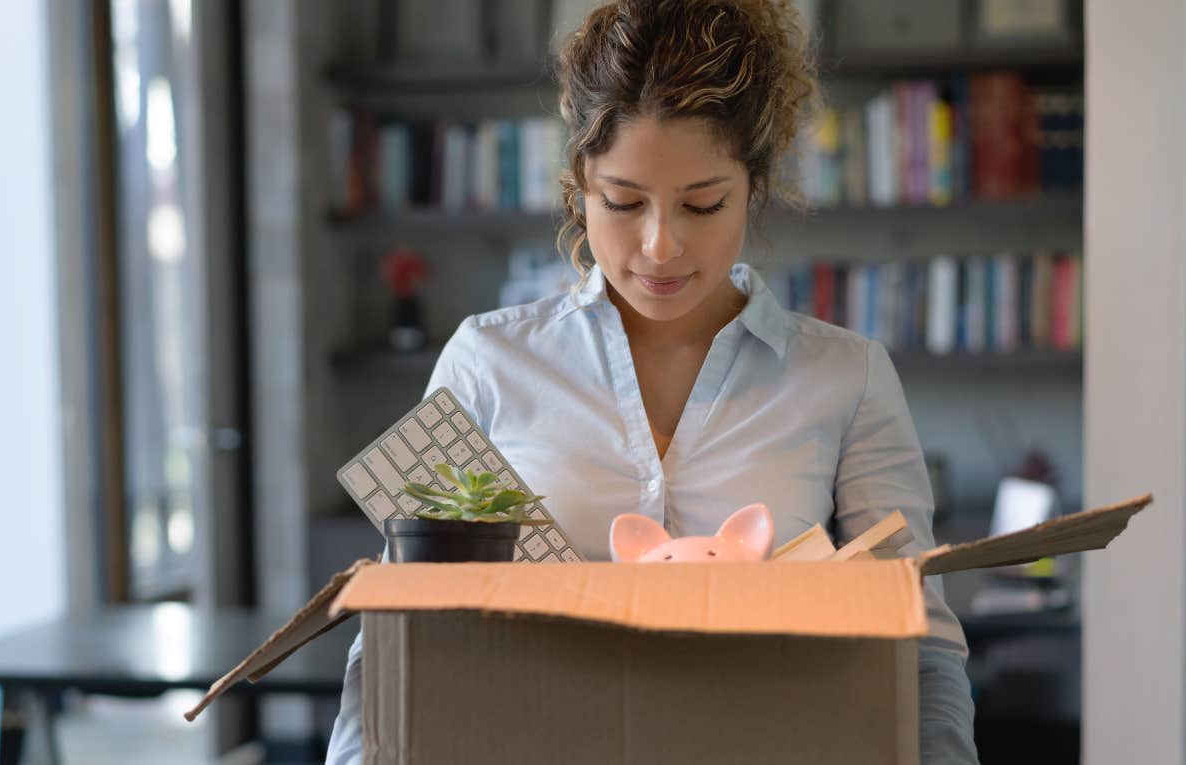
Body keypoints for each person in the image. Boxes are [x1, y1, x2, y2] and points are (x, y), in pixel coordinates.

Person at [326, 1, 977, 762]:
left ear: (754, 187)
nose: (659, 245)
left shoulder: (847, 377)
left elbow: (923, 646)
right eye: (624, 201)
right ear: (579, 183)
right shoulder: (488, 363)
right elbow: (393, 637)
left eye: (703, 204)